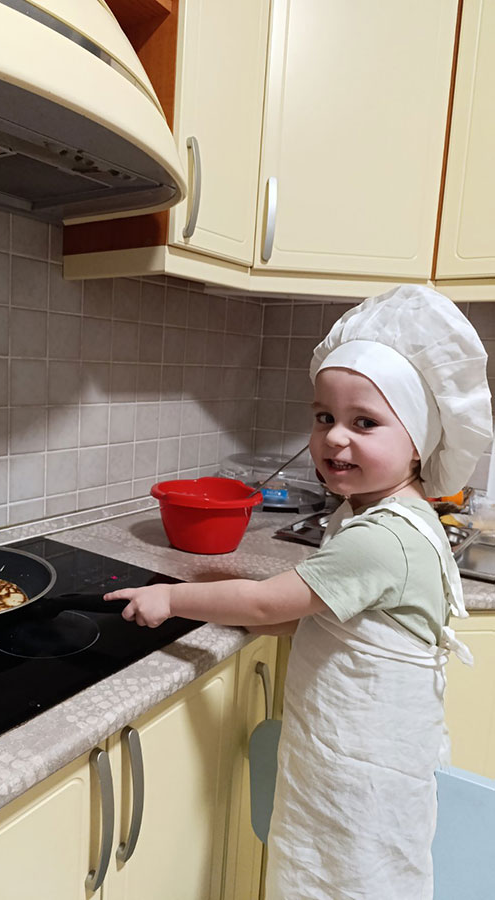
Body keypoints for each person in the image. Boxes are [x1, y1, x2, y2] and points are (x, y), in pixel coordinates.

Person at [104, 284, 493, 899]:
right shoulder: (376, 512)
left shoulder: (382, 538)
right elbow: (325, 616)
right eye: (324, 417)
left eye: (365, 422)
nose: (335, 437)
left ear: (419, 441)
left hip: (359, 773)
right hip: (349, 756)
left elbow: (267, 602)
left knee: (347, 880)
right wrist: (250, 618)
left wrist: (173, 599)